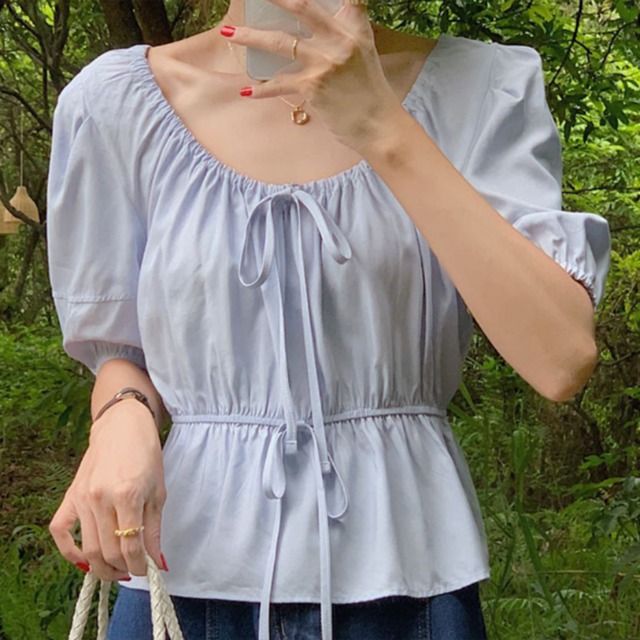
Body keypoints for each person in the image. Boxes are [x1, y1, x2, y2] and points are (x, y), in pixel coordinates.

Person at [46, 0, 611, 638]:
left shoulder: (483, 87)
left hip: (404, 579)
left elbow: (559, 357)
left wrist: (379, 123)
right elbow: (119, 350)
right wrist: (121, 414)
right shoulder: (118, 103)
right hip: (181, 571)